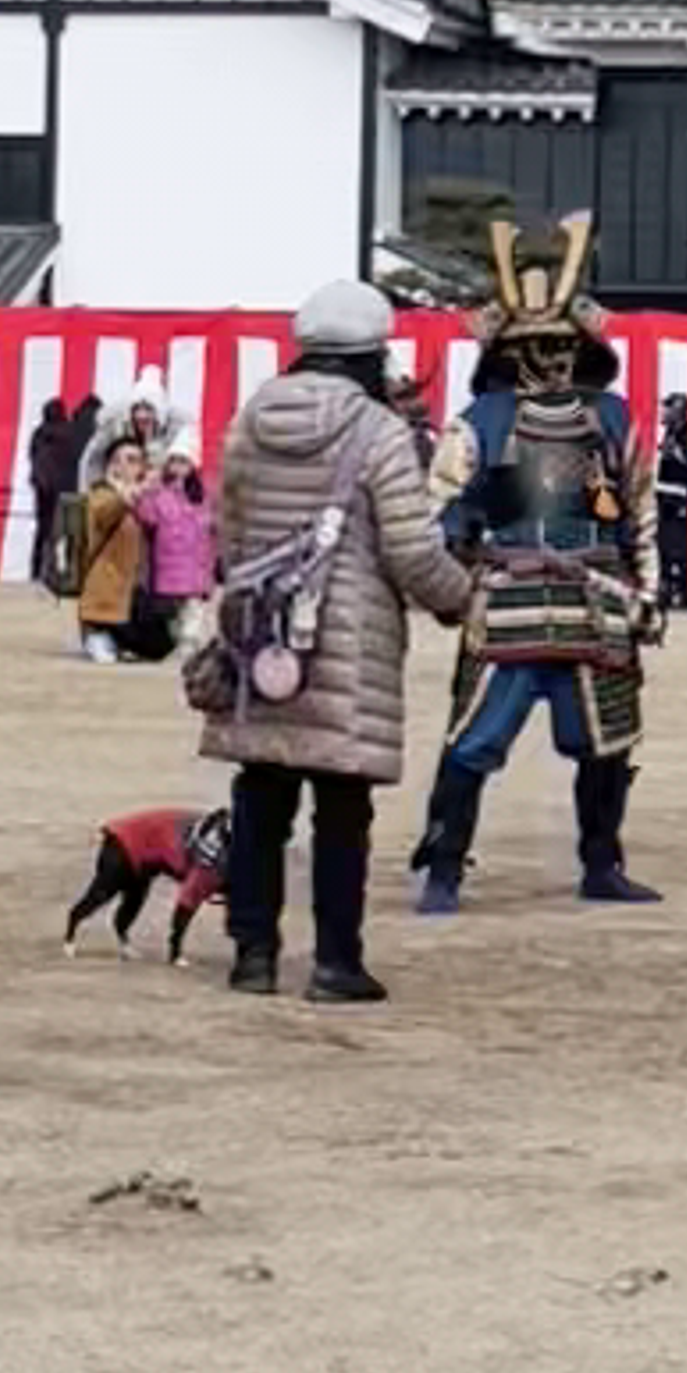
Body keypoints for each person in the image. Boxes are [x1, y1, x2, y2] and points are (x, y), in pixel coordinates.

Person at [202, 282, 469, 1004]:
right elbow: (412, 551)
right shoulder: (380, 431)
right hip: (347, 641)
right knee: (342, 811)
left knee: (260, 795)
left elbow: (226, 528)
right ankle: (334, 964)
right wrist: (459, 599)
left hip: (261, 636)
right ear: (371, 353)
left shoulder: (250, 419)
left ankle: (252, 955)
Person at [412, 458, 657, 913]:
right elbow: (443, 509)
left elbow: (640, 516)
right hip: (510, 603)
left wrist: (646, 597)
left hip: (593, 603)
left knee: (607, 742)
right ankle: (443, 868)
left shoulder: (609, 424)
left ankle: (602, 866)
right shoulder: (487, 422)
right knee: (471, 742)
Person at [66, 421, 156, 663]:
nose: (124, 466)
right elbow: (106, 512)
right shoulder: (101, 494)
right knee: (106, 653)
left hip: (137, 597)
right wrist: (133, 493)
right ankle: (94, 633)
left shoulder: (150, 499)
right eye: (119, 459)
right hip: (105, 593)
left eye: (133, 460)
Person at [137, 446, 219, 642]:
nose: (178, 467)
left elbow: (214, 524)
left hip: (197, 562)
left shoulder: (205, 494)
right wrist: (146, 493)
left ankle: (190, 639)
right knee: (173, 610)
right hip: (169, 562)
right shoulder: (160, 493)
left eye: (183, 462)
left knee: (194, 607)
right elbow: (148, 517)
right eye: (174, 461)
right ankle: (179, 638)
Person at [23, 384, 89, 602]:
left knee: (44, 533)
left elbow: (33, 460)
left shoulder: (39, 434)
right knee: (69, 535)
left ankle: (39, 572)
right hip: (67, 490)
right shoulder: (71, 434)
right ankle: (65, 576)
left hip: (43, 491)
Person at [652, 389, 687, 621]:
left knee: (679, 547)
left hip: (678, 499)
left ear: (678, 411)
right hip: (665, 496)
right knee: (664, 545)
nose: (663, 412)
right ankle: (666, 591)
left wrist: (686, 500)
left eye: (667, 408)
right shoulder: (671, 433)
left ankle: (683, 594)